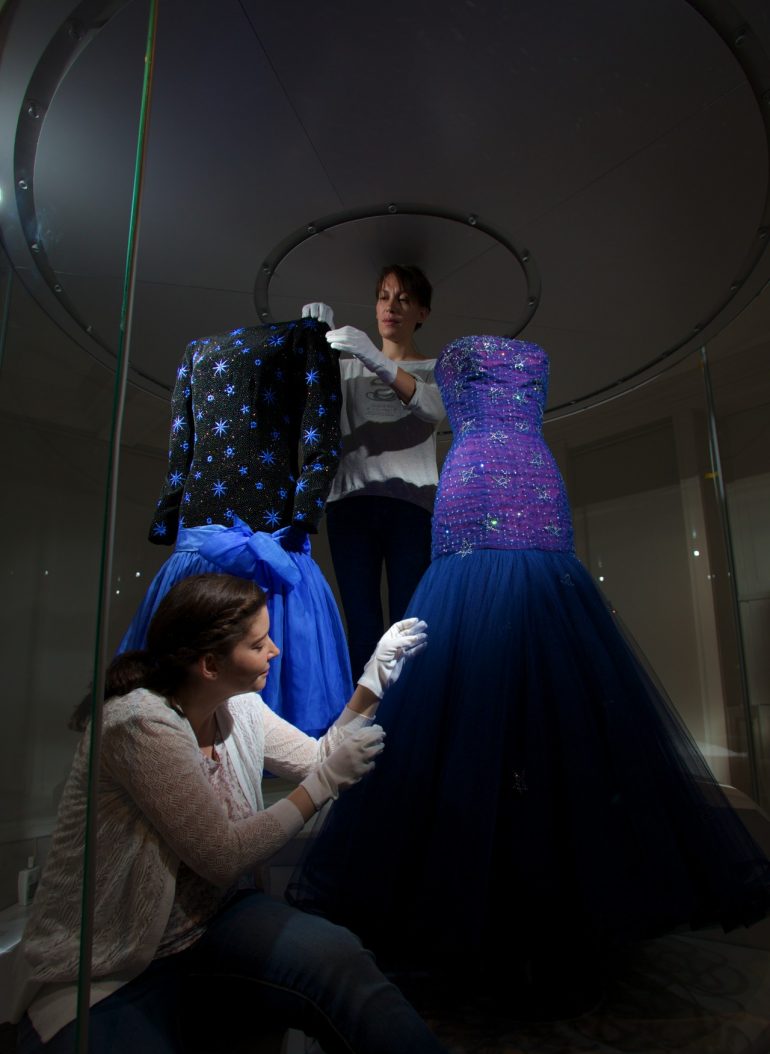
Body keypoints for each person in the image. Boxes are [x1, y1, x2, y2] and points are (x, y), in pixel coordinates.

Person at [288, 334, 770, 1009]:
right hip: (471, 494)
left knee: (553, 698)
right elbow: (424, 408)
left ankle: (563, 899)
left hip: (536, 496)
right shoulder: (448, 363)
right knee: (474, 696)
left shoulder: (515, 359)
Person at [1, 572, 524, 1054]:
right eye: (257, 643)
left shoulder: (240, 708)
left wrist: (372, 680)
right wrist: (323, 785)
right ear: (207, 662)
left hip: (210, 928)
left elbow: (318, 758)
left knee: (340, 962)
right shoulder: (139, 724)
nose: (274, 649)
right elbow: (224, 853)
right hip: (110, 968)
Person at [120, 315, 351, 737]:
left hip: (270, 529)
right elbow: (181, 439)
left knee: (268, 675)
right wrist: (170, 512)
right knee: (171, 704)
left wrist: (304, 511)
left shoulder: (304, 338)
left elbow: (323, 433)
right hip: (204, 532)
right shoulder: (195, 351)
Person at [303, 264, 446, 678]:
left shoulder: (436, 369)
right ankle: (363, 724)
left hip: (411, 507)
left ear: (423, 312)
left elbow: (433, 409)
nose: (391, 307)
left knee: (409, 624)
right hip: (351, 505)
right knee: (362, 625)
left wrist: (373, 357)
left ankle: (407, 721)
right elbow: (306, 408)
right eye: (384, 297)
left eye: (403, 299)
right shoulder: (346, 369)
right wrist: (311, 343)